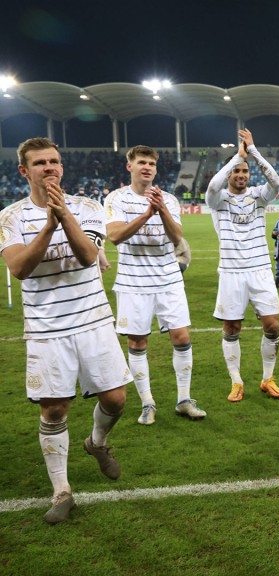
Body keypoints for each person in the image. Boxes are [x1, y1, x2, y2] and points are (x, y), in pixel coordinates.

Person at [0, 137, 132, 524]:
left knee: (117, 400)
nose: (50, 168)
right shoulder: (10, 217)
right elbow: (20, 268)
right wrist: (48, 225)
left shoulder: (89, 207)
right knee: (54, 408)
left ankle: (97, 443)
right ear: (24, 171)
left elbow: (88, 256)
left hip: (93, 320)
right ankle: (62, 491)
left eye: (55, 161)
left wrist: (64, 216)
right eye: (40, 163)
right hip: (46, 326)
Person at [105, 145, 205, 426]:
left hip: (168, 279)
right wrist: (147, 214)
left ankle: (184, 399)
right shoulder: (116, 199)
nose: (147, 167)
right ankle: (147, 402)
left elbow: (176, 237)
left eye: (151, 163)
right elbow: (115, 236)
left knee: (182, 337)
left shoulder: (169, 199)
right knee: (138, 342)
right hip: (133, 282)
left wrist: (161, 209)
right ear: (130, 167)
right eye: (141, 162)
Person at [206, 128, 279, 402]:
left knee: (273, 326)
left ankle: (268, 378)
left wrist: (252, 152)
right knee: (231, 328)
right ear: (230, 173)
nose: (241, 175)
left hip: (260, 269)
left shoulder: (259, 196)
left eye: (244, 172)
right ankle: (236, 381)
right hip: (231, 272)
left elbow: (276, 182)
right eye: (236, 172)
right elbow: (212, 187)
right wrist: (235, 158)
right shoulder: (218, 201)